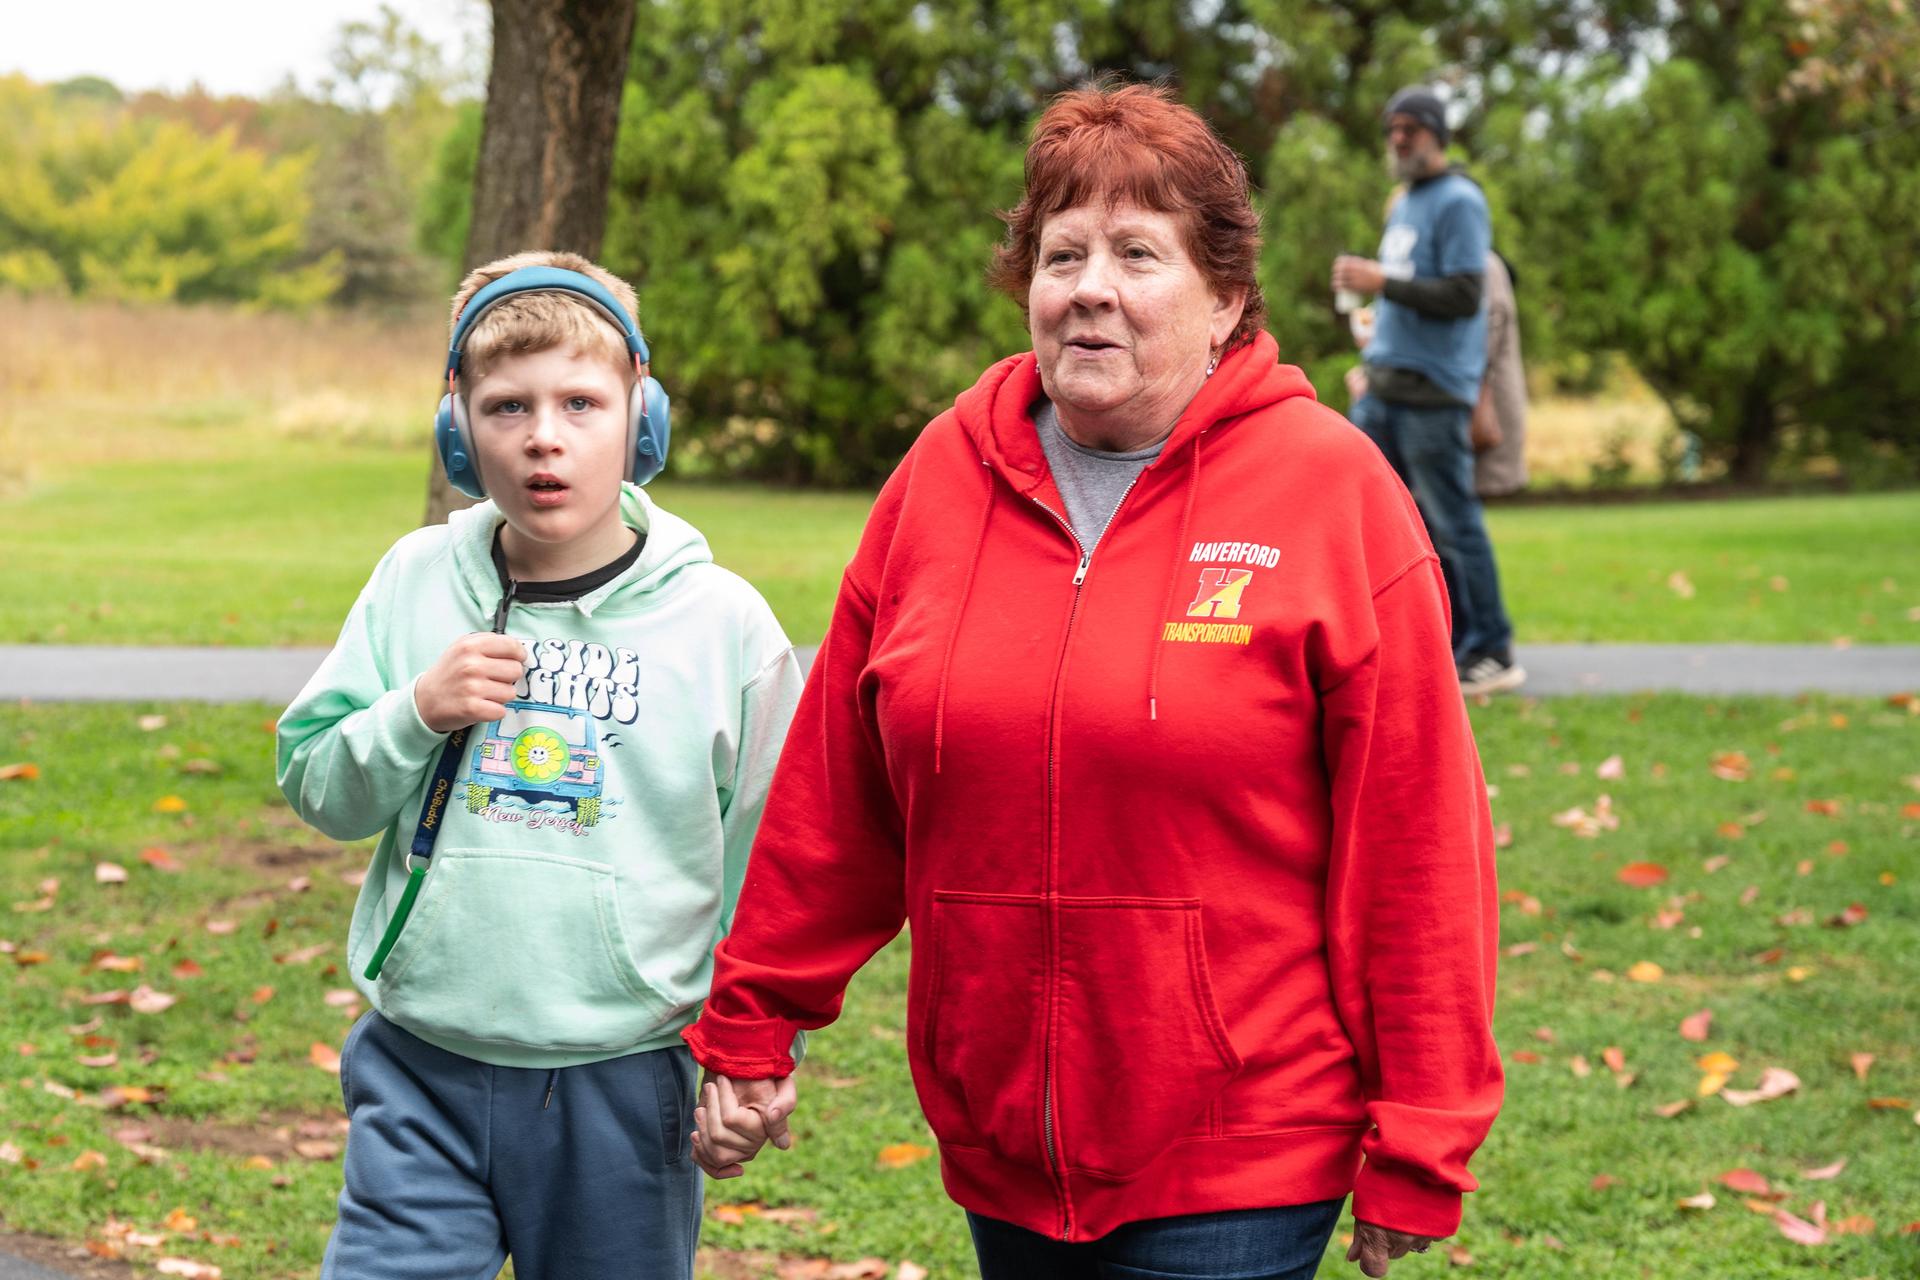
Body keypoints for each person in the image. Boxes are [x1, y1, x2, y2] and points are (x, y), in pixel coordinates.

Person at [683, 82, 1503, 1280]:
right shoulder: (940, 477)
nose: (1090, 287)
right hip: (1002, 1137)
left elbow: (1417, 840)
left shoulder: (1335, 493)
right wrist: (755, 1016)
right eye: (1062, 252)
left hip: (1245, 1143)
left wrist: (1422, 1130)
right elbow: (838, 793)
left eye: (1138, 253)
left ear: (1226, 297)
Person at [277, 250, 804, 1279]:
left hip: (622, 1079)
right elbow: (316, 781)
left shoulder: (722, 623)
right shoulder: (415, 578)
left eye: (581, 401)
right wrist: (414, 712)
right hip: (420, 1062)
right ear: (459, 429)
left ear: (640, 418)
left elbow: (777, 858)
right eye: (507, 406)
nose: (544, 437)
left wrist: (753, 1048)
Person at [1332, 86, 1525, 696]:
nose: (1398, 137)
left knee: (1451, 521)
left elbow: (1465, 295)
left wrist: (1381, 280)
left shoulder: (1460, 200)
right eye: (1392, 127)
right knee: (1376, 522)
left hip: (1434, 393)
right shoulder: (1405, 203)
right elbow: (1409, 294)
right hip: (1384, 387)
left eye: (1411, 127)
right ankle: (1415, 642)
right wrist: (1375, 352)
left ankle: (1491, 647)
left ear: (1438, 135)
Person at [1472, 250, 1527, 498]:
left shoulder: (1482, 263)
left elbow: (1486, 338)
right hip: (1471, 401)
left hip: (1476, 405)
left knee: (1454, 512)